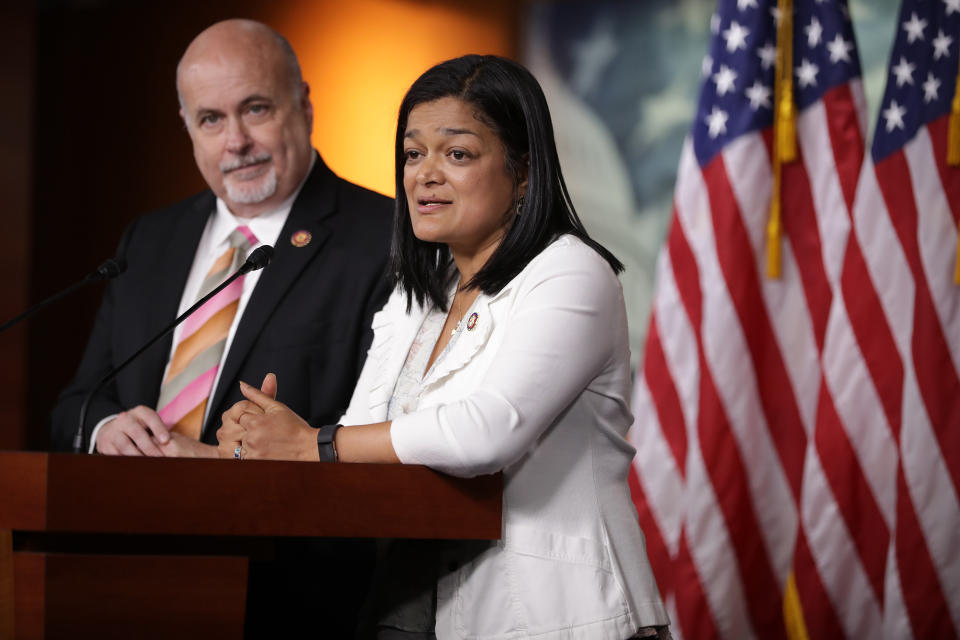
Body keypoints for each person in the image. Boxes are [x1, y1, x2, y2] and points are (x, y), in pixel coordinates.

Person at [219, 54, 671, 639]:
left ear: (524, 172)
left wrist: (314, 442)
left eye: (456, 154)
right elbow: (362, 439)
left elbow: (487, 432)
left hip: (555, 614)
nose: (424, 174)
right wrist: (263, 443)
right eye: (413, 154)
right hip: (406, 603)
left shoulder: (571, 273)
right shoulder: (416, 294)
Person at [49, 19, 392, 637]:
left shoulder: (385, 241)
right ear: (187, 127)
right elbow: (80, 398)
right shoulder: (149, 240)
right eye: (211, 119)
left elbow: (386, 438)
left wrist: (216, 465)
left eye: (255, 109)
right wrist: (106, 429)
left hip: (296, 599)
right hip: (125, 581)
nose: (236, 141)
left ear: (304, 106)